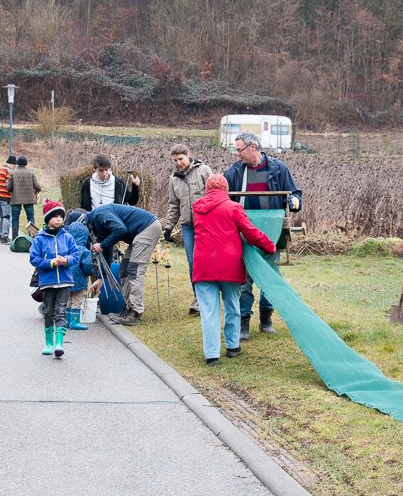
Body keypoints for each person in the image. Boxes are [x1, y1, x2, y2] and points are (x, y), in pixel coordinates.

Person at [224, 130, 302, 340]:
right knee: (246, 278)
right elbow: (222, 197)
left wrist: (295, 202)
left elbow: (294, 192)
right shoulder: (234, 172)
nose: (237, 154)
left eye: (239, 150)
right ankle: (244, 321)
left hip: (272, 233)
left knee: (270, 275)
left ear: (252, 147)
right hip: (245, 234)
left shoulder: (278, 169)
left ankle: (266, 318)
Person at [192, 175, 276, 366]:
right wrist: (269, 246)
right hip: (229, 264)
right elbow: (251, 232)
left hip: (203, 264)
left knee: (208, 311)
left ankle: (212, 355)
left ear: (207, 189)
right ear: (225, 190)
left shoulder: (197, 208)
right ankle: (232, 346)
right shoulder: (233, 207)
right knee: (232, 305)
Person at [86, 203, 162, 326]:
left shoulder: (99, 214)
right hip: (139, 232)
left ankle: (135, 312)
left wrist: (102, 245)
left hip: (147, 228)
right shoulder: (95, 226)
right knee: (124, 269)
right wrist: (101, 278)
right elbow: (107, 249)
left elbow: (121, 229)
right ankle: (129, 308)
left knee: (134, 270)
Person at [163, 143, 212, 315]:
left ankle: (210, 295)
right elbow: (174, 205)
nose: (178, 163)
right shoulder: (174, 179)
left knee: (206, 260)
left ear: (188, 155)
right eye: (175, 160)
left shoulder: (204, 171)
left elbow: (215, 196)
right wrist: (168, 227)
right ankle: (198, 298)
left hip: (206, 224)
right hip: (187, 226)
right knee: (192, 262)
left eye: (181, 159)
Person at [29, 199, 79, 358]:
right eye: (55, 216)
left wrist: (66, 260)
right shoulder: (39, 238)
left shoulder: (68, 237)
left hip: (65, 280)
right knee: (48, 311)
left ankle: (59, 343)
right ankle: (49, 342)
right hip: (47, 282)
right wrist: (50, 262)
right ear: (47, 218)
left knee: (61, 311)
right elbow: (34, 259)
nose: (59, 219)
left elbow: (75, 255)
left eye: (61, 216)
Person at [64, 217, 97, 330]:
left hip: (67, 279)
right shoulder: (83, 250)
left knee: (69, 300)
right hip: (79, 280)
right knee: (77, 301)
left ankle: (67, 320)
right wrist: (90, 271)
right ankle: (75, 321)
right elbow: (87, 265)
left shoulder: (67, 248)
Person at [6, 155, 42, 239]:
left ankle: (14, 238)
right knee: (30, 218)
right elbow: (38, 186)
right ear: (26, 163)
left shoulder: (13, 173)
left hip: (16, 199)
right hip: (29, 199)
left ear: (18, 163)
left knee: (15, 219)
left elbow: (9, 188)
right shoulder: (31, 173)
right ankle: (32, 236)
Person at [0, 155, 17, 244]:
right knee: (6, 217)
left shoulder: (0, 169)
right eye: (15, 165)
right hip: (4, 196)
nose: (15, 167)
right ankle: (4, 236)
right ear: (11, 165)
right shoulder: (8, 171)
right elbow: (8, 185)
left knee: (2, 216)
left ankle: (1, 235)